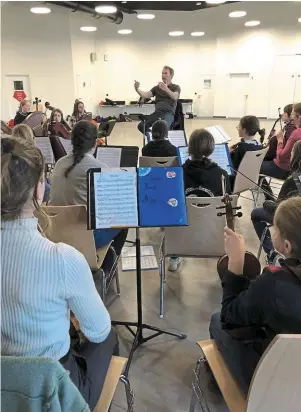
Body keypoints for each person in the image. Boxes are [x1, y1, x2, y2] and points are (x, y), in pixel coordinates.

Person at [1, 137, 118, 410]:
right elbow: (98, 331)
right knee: (109, 337)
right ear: (39, 190)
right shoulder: (62, 259)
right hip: (52, 392)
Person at [210, 196, 301, 395]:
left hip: (274, 387)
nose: (271, 231)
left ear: (287, 246)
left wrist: (235, 264)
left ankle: (221, 386)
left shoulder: (273, 284)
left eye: (274, 228)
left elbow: (229, 318)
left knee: (216, 320)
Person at [49, 120, 128, 255]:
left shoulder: (59, 163)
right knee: (124, 219)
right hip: (83, 238)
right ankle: (106, 266)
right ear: (95, 142)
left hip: (55, 233)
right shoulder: (98, 167)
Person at [168, 129, 231, 272]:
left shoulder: (176, 173)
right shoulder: (222, 175)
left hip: (181, 234)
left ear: (189, 148)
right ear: (211, 148)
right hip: (212, 235)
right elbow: (226, 208)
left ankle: (174, 256)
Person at [251, 140, 301, 263]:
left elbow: (279, 210)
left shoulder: (292, 180)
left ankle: (272, 254)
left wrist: (267, 203)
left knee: (255, 214)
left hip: (293, 220)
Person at [260, 102, 301, 199]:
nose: (291, 118)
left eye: (292, 114)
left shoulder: (296, 133)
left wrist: (280, 140)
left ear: (298, 116)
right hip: (297, 172)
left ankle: (269, 198)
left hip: (285, 169)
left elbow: (281, 157)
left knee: (255, 166)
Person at [135, 66, 181, 134]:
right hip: (157, 113)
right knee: (141, 126)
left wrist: (166, 89)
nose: (163, 75)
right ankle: (152, 137)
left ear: (171, 75)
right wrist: (137, 89)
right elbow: (146, 94)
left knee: (163, 127)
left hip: (168, 114)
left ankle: (161, 140)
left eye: (166, 73)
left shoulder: (176, 87)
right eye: (162, 73)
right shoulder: (156, 88)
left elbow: (175, 96)